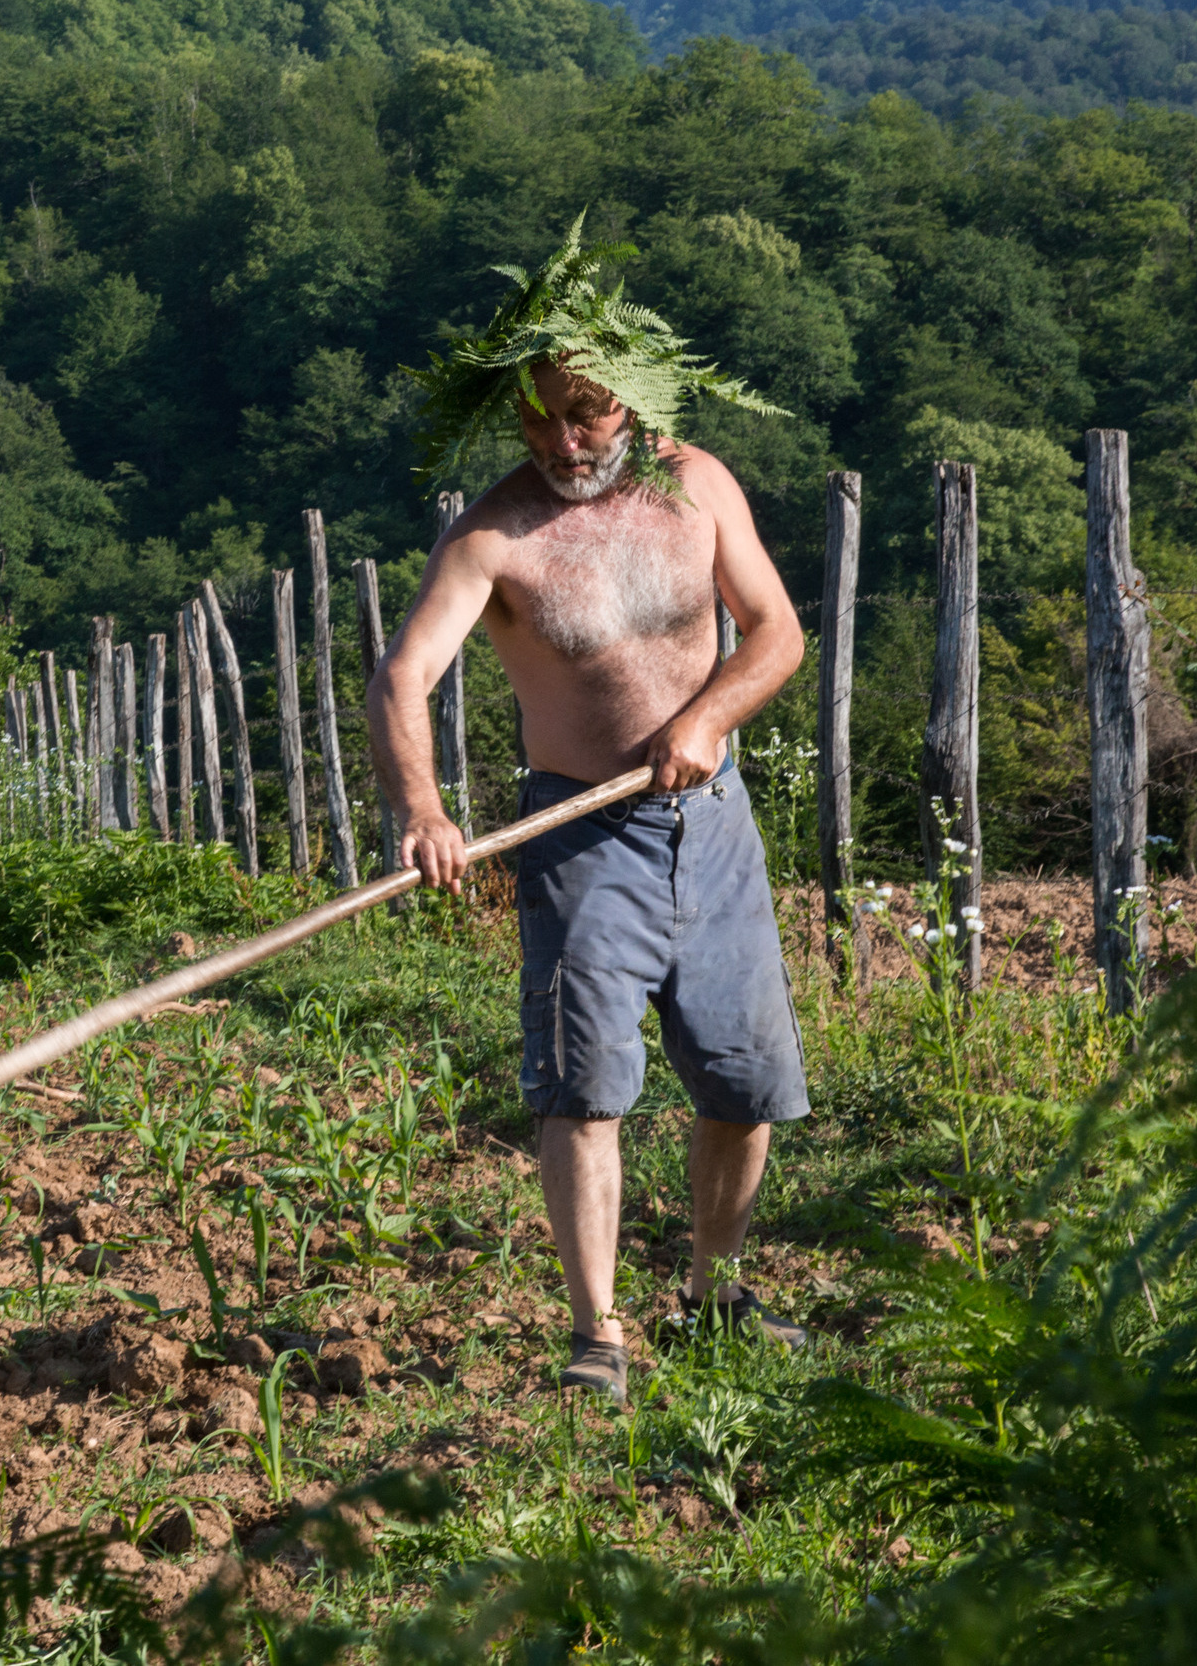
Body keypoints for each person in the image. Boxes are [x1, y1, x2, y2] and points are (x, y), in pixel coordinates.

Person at [366, 224, 810, 1403]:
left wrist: (706, 720)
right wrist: (423, 806)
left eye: (590, 413)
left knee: (743, 1074)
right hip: (574, 836)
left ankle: (714, 1291)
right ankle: (597, 1332)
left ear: (637, 401)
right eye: (540, 418)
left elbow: (775, 634)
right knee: (583, 1083)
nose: (564, 440)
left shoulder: (700, 487)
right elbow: (403, 675)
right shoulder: (493, 537)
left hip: (710, 824)